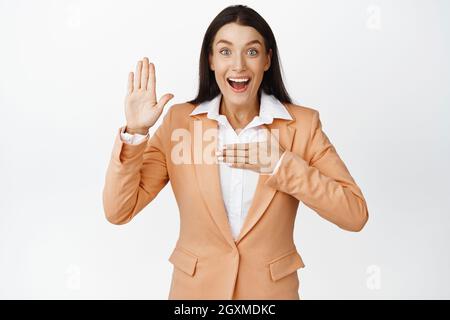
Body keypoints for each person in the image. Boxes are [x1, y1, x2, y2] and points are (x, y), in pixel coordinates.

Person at [102, 4, 369, 300]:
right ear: (211, 60)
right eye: (226, 51)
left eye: (252, 52)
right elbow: (118, 210)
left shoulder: (303, 127)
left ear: (267, 59)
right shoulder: (180, 123)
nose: (239, 65)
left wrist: (282, 165)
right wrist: (136, 133)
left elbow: (354, 214)